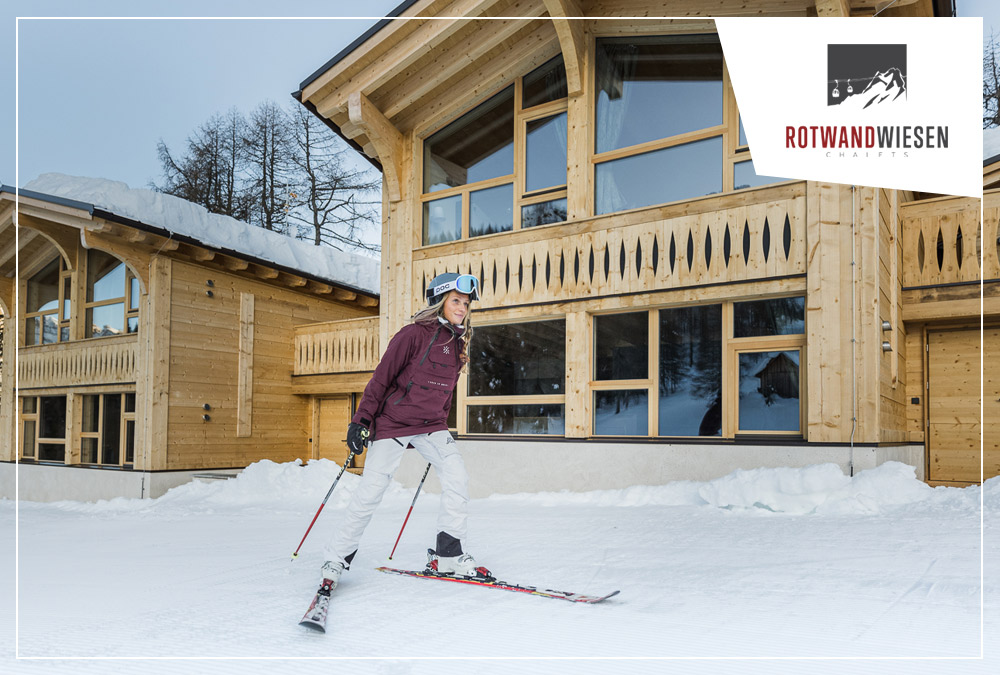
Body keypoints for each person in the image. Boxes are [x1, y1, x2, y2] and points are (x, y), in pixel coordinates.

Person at [320, 272, 491, 588]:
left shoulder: (457, 344)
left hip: (431, 427)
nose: (462, 307)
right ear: (440, 301)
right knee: (371, 490)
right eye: (456, 300)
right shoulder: (412, 335)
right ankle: (336, 558)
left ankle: (448, 556)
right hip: (393, 423)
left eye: (466, 303)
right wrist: (361, 421)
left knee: (456, 475)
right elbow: (381, 379)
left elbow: (444, 392)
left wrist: (439, 421)